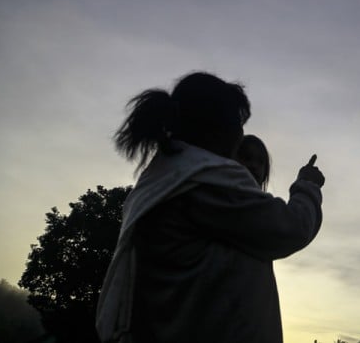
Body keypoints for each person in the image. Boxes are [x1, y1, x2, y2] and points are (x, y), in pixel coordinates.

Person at [96, 71, 324, 343]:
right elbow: (291, 228)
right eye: (238, 124)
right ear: (220, 127)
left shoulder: (164, 179)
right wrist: (308, 186)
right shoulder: (206, 179)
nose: (240, 135)